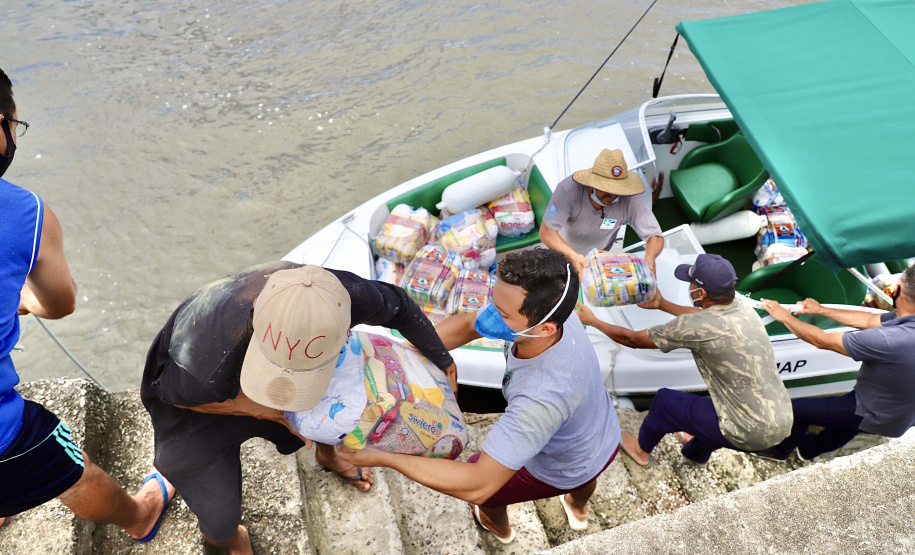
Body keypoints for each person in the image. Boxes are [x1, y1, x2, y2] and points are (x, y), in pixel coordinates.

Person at [140, 262, 457, 554]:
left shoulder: (332, 297)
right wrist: (267, 411)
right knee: (219, 520)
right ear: (255, 322)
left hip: (247, 385)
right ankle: (231, 539)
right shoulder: (203, 366)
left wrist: (442, 359)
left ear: (345, 328)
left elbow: (399, 305)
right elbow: (171, 396)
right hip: (199, 409)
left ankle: (326, 454)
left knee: (332, 407)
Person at [338, 248, 621, 544]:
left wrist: (386, 457)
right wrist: (399, 360)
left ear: (545, 328)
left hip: (562, 466)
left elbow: (479, 485)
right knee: (587, 474)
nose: (491, 314)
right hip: (603, 432)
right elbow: (469, 325)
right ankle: (578, 506)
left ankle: (498, 527)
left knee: (486, 483)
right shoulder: (557, 312)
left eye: (503, 313)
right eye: (495, 301)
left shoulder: (541, 399)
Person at [0, 67, 175, 541]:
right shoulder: (23, 212)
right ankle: (140, 515)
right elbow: (58, 304)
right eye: (15, 125)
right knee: (68, 468)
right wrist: (23, 302)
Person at [576, 253, 793, 466]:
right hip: (781, 416)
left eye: (690, 284)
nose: (688, 288)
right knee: (713, 408)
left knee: (665, 402)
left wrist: (593, 321)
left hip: (748, 429)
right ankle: (696, 453)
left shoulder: (698, 326)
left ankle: (641, 451)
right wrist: (662, 304)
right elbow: (702, 318)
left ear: (701, 292)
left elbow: (633, 340)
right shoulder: (742, 308)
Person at [758, 263, 915, 461]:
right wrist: (821, 310)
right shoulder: (907, 319)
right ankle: (808, 450)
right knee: (847, 425)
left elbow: (821, 340)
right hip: (902, 412)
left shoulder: (889, 340)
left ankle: (778, 452)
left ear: (897, 290)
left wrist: (785, 317)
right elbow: (868, 320)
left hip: (875, 412)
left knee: (798, 410)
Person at [539, 148, 663, 276]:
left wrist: (650, 259)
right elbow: (546, 232)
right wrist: (573, 256)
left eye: (618, 190)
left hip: (600, 259)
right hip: (562, 252)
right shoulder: (568, 190)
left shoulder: (631, 198)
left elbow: (655, 236)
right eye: (606, 189)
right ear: (592, 183)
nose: (612, 195)